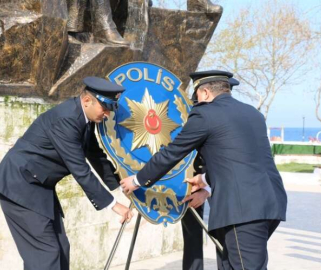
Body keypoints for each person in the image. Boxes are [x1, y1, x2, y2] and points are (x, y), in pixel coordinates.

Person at [120, 70, 287, 270]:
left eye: (197, 96)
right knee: (231, 265)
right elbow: (243, 162)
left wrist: (137, 180)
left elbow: (172, 153)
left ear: (206, 92)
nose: (196, 102)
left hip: (242, 209)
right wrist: (206, 181)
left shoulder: (205, 114)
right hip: (270, 202)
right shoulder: (253, 113)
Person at [0, 76, 133, 270]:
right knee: (45, 256)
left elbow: (95, 154)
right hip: (20, 187)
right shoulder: (67, 119)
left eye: (110, 109)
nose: (107, 114)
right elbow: (80, 169)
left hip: (39, 188)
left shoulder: (84, 118)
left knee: (61, 249)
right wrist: (114, 205)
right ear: (87, 100)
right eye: (104, 107)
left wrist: (122, 186)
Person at [183, 76, 240, 270]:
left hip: (216, 183)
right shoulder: (195, 113)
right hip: (188, 180)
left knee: (226, 237)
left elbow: (229, 160)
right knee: (192, 235)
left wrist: (206, 189)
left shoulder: (232, 117)